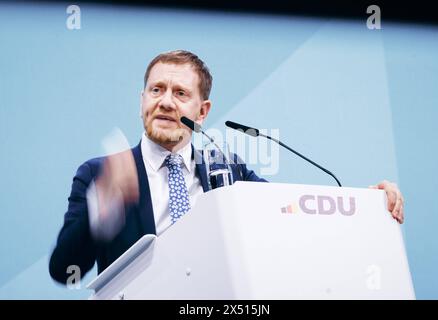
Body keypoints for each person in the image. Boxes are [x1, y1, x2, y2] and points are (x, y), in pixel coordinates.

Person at [48, 50, 404, 285]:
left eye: (180, 93)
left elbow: (293, 213)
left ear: (202, 112)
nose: (166, 102)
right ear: (142, 101)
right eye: (156, 90)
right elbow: (65, 271)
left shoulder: (229, 172)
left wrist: (363, 207)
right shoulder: (100, 174)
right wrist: (105, 208)